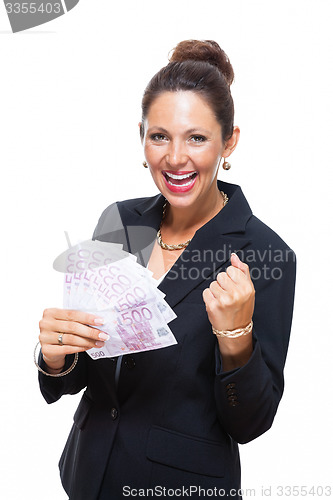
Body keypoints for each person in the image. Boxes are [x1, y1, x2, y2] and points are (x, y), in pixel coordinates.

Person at [37, 40, 296, 500]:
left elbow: (250, 423)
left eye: (196, 138)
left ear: (229, 140)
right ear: (142, 137)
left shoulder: (264, 254)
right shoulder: (118, 220)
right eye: (160, 136)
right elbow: (88, 367)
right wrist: (57, 357)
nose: (175, 158)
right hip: (88, 473)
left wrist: (236, 339)